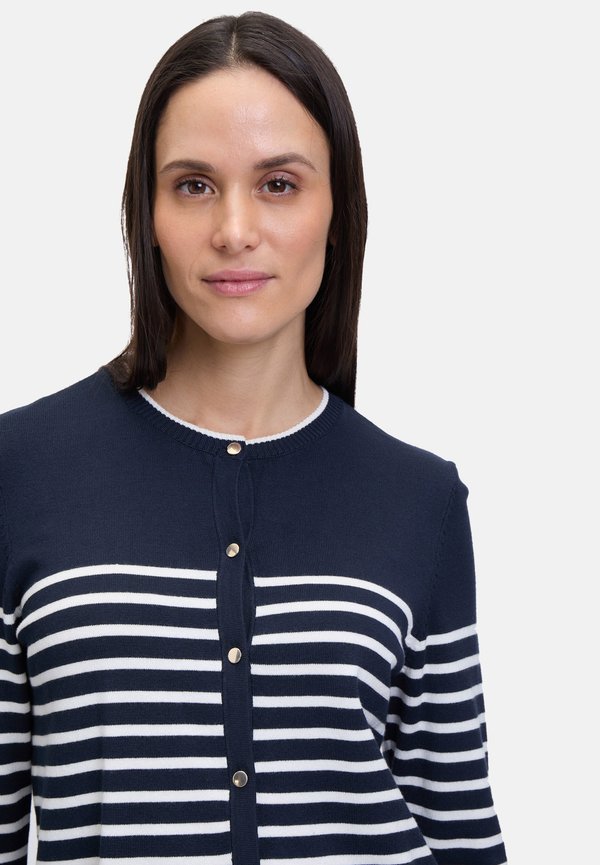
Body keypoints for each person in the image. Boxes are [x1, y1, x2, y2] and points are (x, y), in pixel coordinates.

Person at [0, 11, 507, 865]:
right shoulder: (20, 471)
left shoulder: (418, 500)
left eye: (278, 183)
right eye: (194, 185)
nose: (234, 230)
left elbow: (457, 824)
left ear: (336, 209)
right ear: (146, 213)